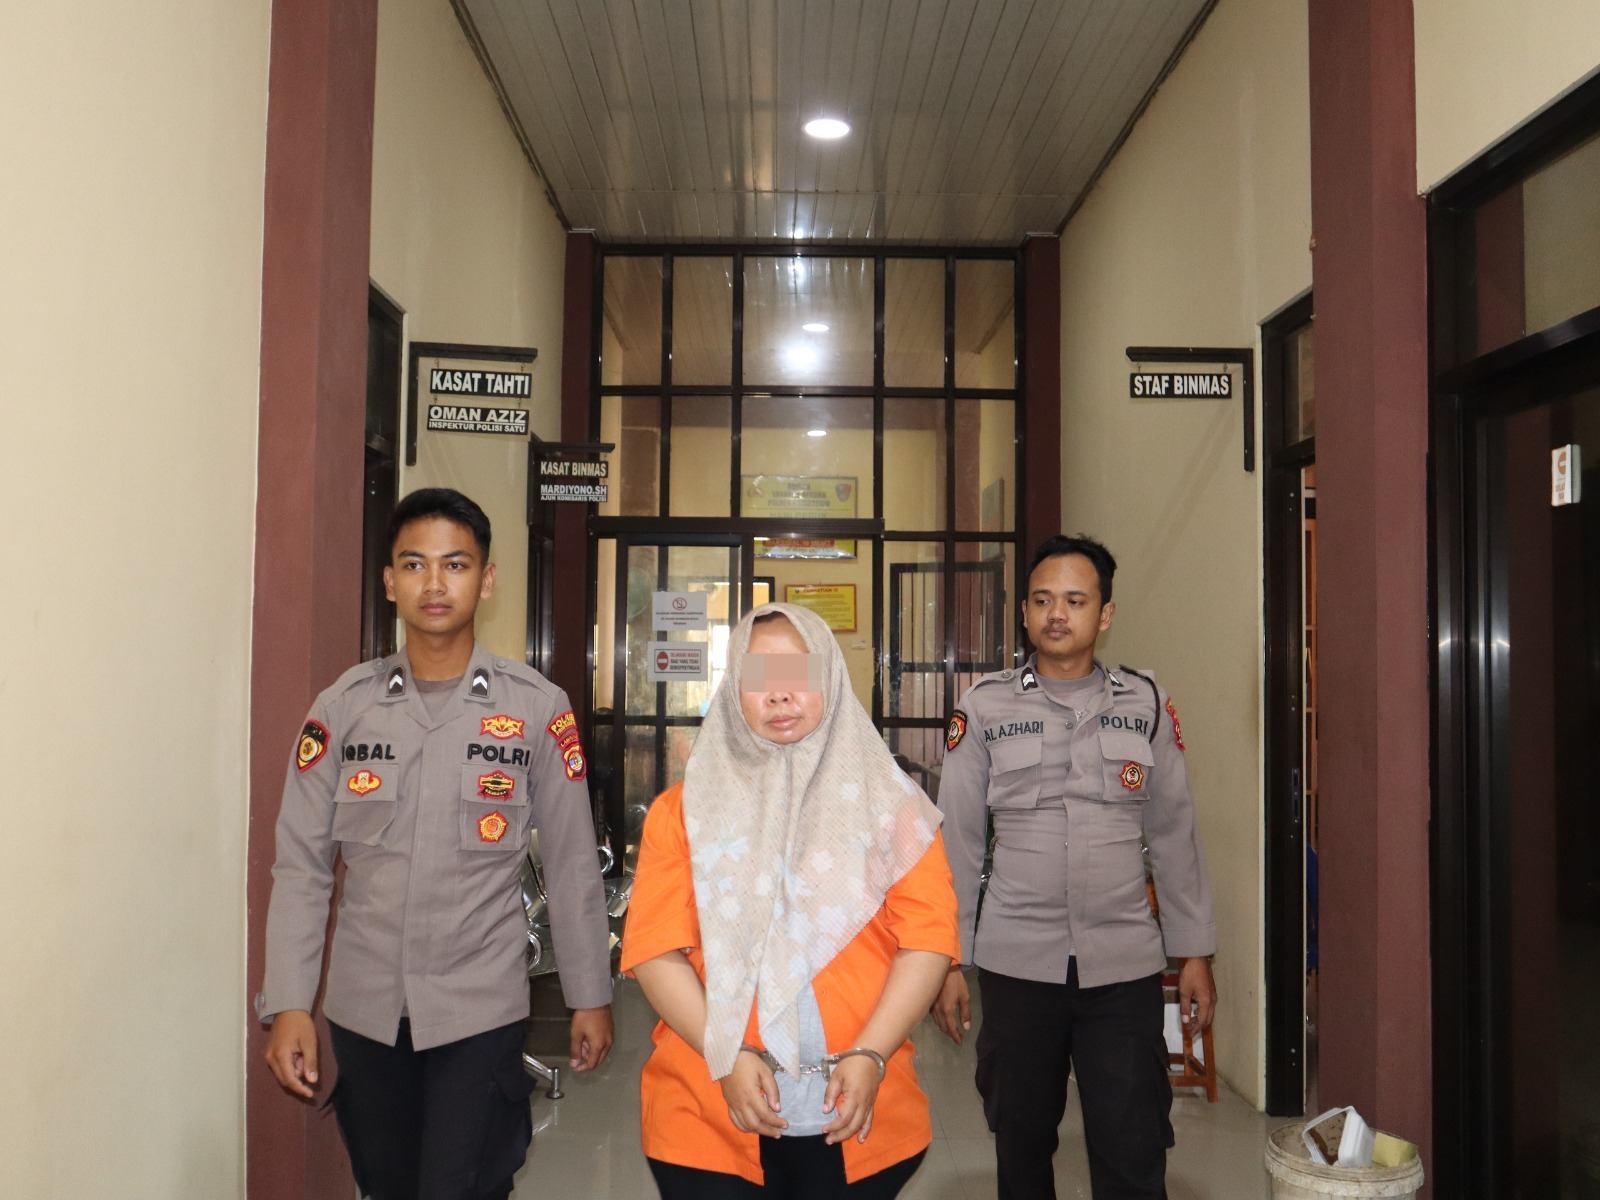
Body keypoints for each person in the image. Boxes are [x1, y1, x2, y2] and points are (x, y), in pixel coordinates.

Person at [258, 487, 615, 1200]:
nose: (434, 583)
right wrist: (289, 1002)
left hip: (479, 1008)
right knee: (387, 1185)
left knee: (464, 1186)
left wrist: (589, 994)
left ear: (486, 579)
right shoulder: (343, 709)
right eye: (414, 564)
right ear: (389, 581)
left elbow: (574, 862)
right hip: (365, 1012)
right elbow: (302, 868)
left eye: (455, 564)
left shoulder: (537, 709)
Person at [622, 603, 958, 1198]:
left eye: (798, 674)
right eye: (758, 677)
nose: (779, 694)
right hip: (707, 1108)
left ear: (830, 677)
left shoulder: (894, 809)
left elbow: (927, 940)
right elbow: (654, 950)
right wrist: (725, 1054)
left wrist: (871, 1054)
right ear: (734, 689)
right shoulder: (683, 811)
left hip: (857, 1109)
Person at [930, 534, 1217, 1200]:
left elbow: (1174, 833)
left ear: (1105, 613)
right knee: (1022, 1144)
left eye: (1075, 600)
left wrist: (1195, 952)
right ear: (1024, 613)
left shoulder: (1144, 703)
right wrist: (947, 960)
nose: (1057, 614)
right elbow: (958, 842)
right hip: (1017, 964)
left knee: (1132, 1145)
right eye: (1042, 600)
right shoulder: (985, 706)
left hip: (1123, 966)